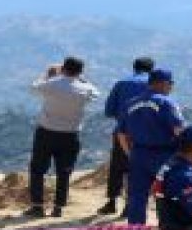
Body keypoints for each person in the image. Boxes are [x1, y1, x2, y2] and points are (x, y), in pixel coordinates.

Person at [25, 57, 100, 218]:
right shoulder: (84, 89)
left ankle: (37, 206)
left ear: (64, 68)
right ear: (80, 71)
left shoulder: (51, 84)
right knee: (64, 172)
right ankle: (58, 207)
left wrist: (48, 74)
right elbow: (95, 92)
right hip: (70, 135)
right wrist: (80, 78)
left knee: (38, 170)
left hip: (46, 132)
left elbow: (33, 88)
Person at [123, 68, 185, 230]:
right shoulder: (167, 103)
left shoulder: (131, 103)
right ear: (163, 83)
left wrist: (131, 153)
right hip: (164, 155)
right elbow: (179, 130)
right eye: (170, 83)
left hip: (138, 154)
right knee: (168, 195)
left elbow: (122, 133)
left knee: (137, 197)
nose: (171, 87)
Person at [100, 57, 154, 215]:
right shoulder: (154, 86)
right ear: (152, 69)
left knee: (117, 167)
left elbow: (109, 110)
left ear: (134, 67)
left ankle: (111, 203)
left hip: (123, 132)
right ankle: (129, 205)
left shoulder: (122, 83)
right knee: (137, 170)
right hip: (146, 135)